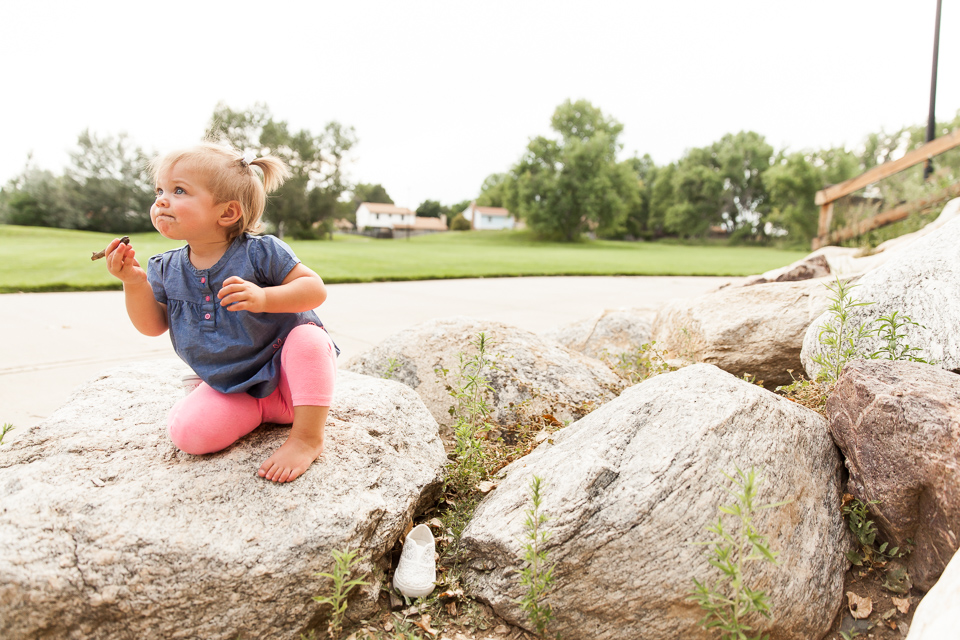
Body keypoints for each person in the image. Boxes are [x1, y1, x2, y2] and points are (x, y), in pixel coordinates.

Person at [104, 143, 337, 483]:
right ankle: (251, 408)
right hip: (235, 387)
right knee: (188, 435)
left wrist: (263, 298)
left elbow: (315, 290)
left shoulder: (261, 252)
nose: (161, 201)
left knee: (309, 338)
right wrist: (133, 282)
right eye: (160, 191)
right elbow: (152, 325)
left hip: (287, 377)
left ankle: (306, 437)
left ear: (227, 213)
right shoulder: (165, 268)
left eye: (179, 190)